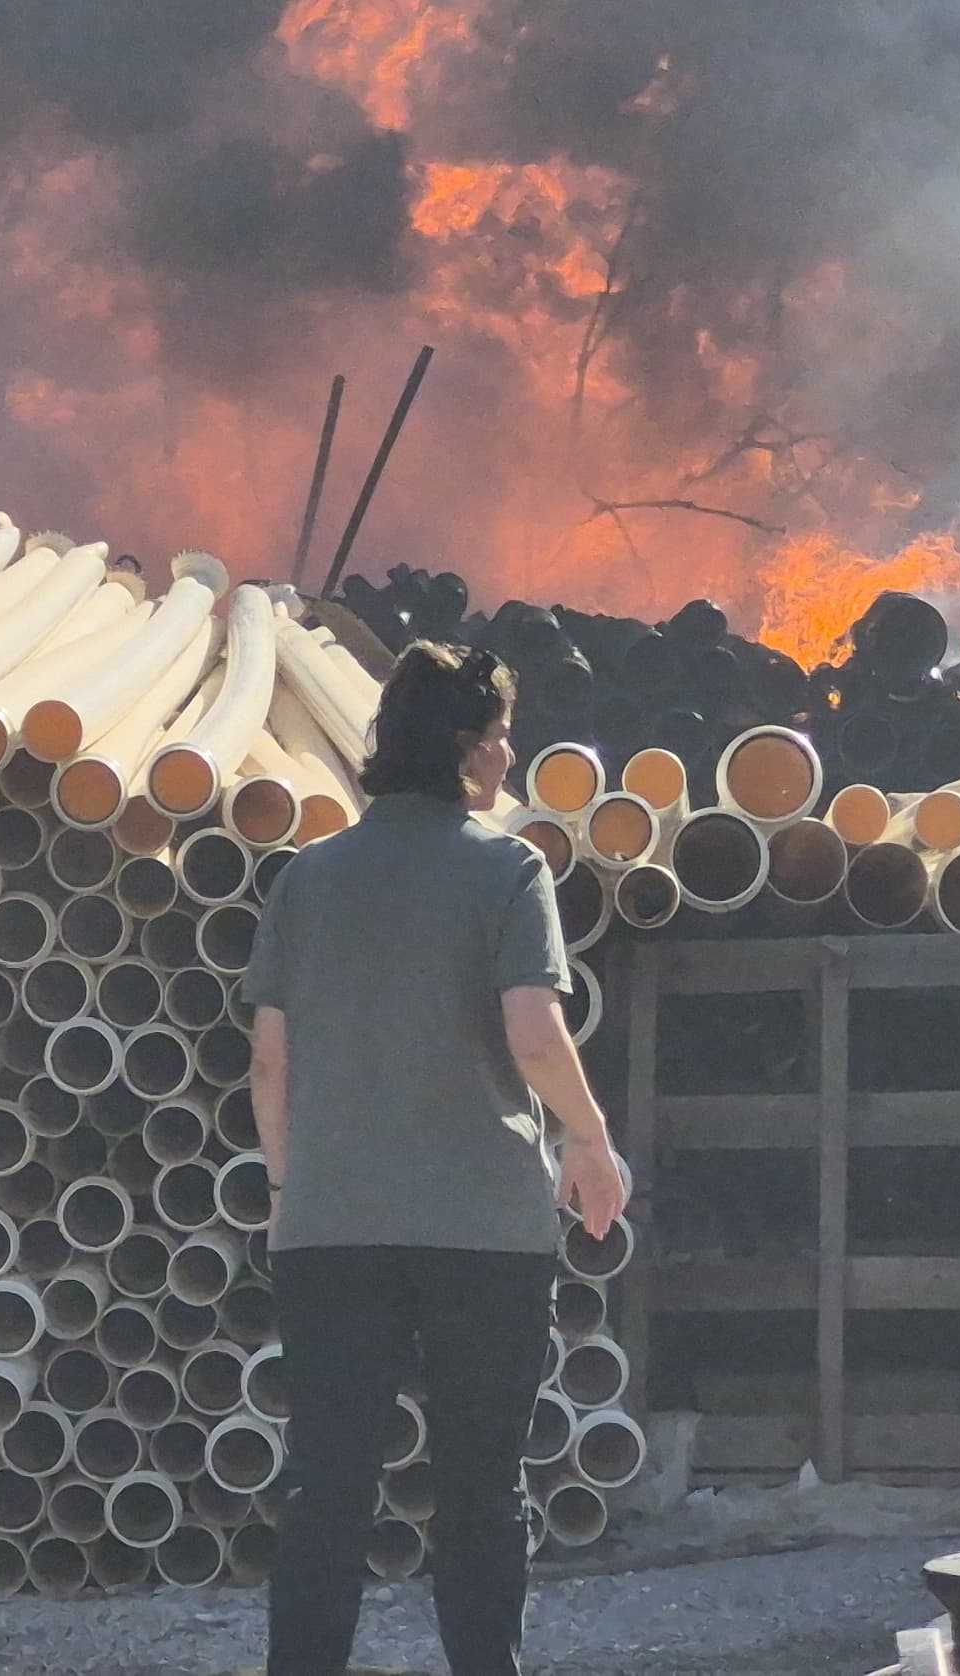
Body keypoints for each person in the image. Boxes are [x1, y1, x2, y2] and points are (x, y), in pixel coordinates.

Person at [242, 640, 629, 1676]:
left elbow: (270, 1062)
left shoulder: (307, 876)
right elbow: (534, 1031)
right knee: (479, 1487)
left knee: (326, 1484)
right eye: (501, 734)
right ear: (467, 747)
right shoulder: (508, 866)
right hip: (481, 1229)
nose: (508, 754)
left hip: (330, 1224)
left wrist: (288, 1186)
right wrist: (589, 1138)